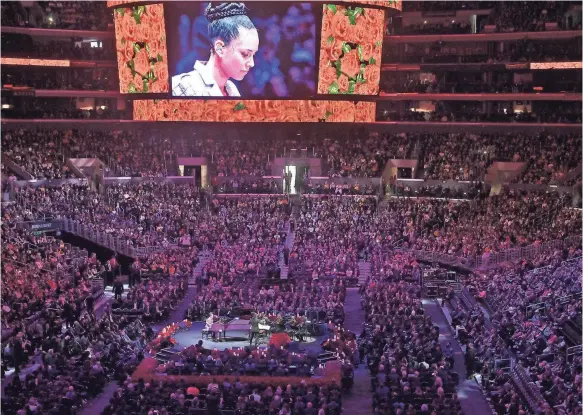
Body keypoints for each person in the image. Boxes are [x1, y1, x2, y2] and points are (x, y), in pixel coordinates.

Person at [172, 2, 259, 97]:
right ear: (220, 48)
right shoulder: (181, 86)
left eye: (253, 55)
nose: (252, 63)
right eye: (245, 54)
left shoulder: (232, 89)